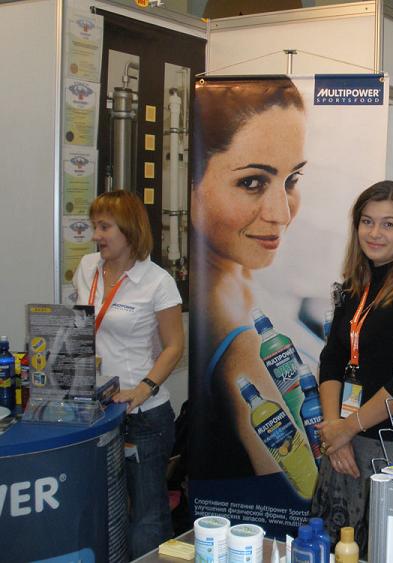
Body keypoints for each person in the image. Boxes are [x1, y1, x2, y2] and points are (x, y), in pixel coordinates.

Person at [189, 77, 313, 482]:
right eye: (252, 182)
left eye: (291, 181)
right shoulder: (242, 350)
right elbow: (303, 483)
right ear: (192, 187)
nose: (282, 214)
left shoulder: (244, 284)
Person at [310, 180, 393, 551]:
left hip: (389, 449)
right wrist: (335, 431)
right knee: (334, 549)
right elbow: (332, 360)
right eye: (367, 221)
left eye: (388, 224)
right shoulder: (353, 287)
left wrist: (347, 429)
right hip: (343, 443)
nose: (374, 233)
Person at [73, 190, 184, 558]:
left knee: (148, 516)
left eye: (105, 227)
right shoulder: (87, 268)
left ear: (129, 229)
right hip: (97, 412)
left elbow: (174, 346)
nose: (96, 235)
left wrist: (143, 389)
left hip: (143, 416)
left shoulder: (157, 282)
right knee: (107, 509)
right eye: (95, 226)